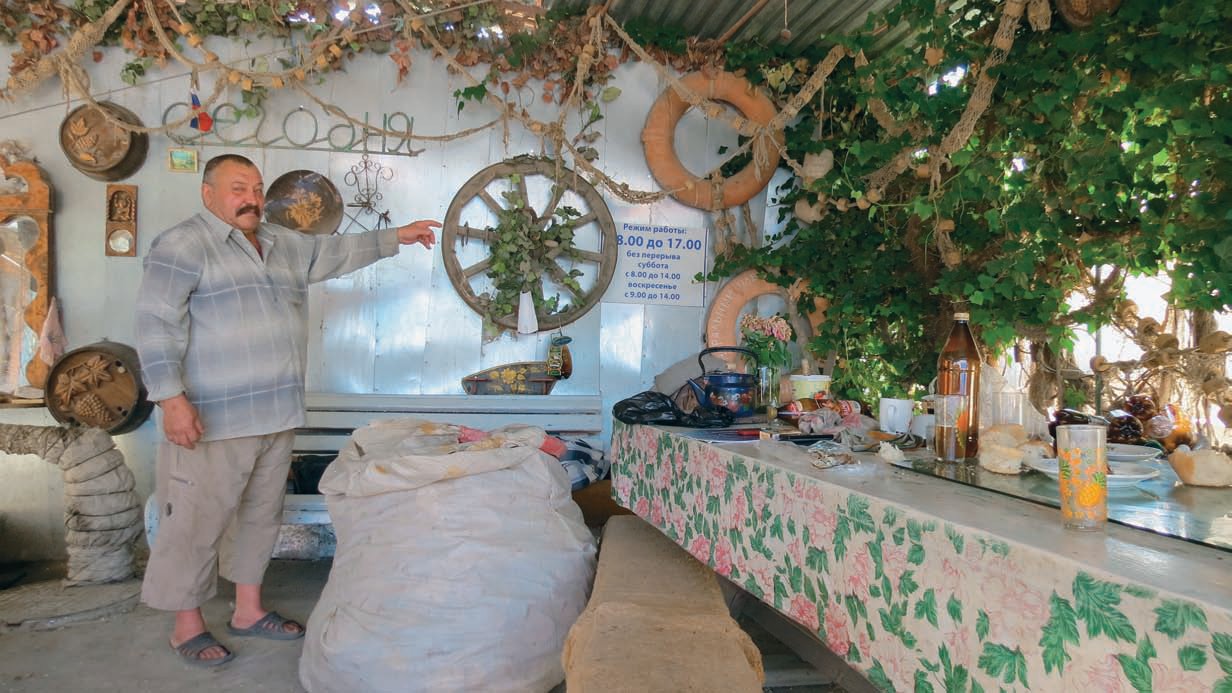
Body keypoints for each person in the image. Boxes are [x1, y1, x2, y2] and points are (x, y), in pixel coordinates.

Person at [134, 153, 439, 667]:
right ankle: (186, 626)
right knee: (195, 522)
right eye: (237, 188)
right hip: (213, 418)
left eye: (256, 188)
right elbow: (154, 324)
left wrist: (397, 236)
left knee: (260, 517)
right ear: (208, 194)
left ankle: (248, 610)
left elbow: (335, 250)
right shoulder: (183, 244)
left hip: (276, 412)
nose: (251, 198)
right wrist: (171, 400)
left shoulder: (281, 243)